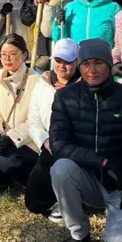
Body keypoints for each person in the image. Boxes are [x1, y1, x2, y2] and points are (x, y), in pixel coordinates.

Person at [48, 39, 122, 242]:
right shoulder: (65, 97)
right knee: (60, 168)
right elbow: (59, 144)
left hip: (119, 182)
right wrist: (100, 162)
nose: (92, 70)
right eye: (86, 63)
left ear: (109, 65)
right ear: (79, 66)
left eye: (98, 63)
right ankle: (79, 234)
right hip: (85, 177)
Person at [0, 34, 41, 194]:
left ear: (24, 54)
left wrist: (12, 137)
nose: (7, 58)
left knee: (4, 161)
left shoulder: (36, 80)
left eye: (12, 53)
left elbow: (36, 119)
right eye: (3, 54)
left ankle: (27, 182)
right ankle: (0, 183)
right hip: (2, 134)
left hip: (27, 142)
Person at [25, 39, 79, 222]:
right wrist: (45, 141)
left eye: (68, 62)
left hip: (75, 147)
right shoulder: (42, 84)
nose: (62, 66)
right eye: (58, 60)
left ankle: (74, 201)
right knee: (34, 203)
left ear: (77, 61)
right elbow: (33, 120)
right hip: (50, 146)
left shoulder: (83, 86)